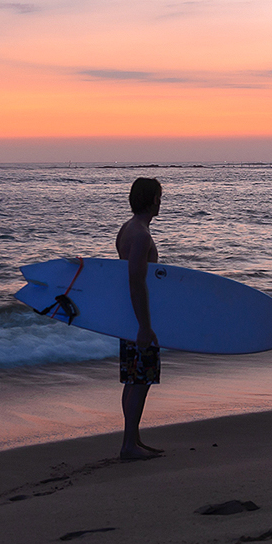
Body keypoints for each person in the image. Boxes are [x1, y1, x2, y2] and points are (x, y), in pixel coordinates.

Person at [115, 177, 164, 460]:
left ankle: (132, 438)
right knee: (140, 379)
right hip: (137, 318)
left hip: (127, 316)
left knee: (133, 380)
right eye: (159, 196)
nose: (161, 202)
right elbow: (135, 282)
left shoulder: (128, 228)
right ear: (150, 199)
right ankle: (128, 445)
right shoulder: (141, 235)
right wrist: (145, 327)